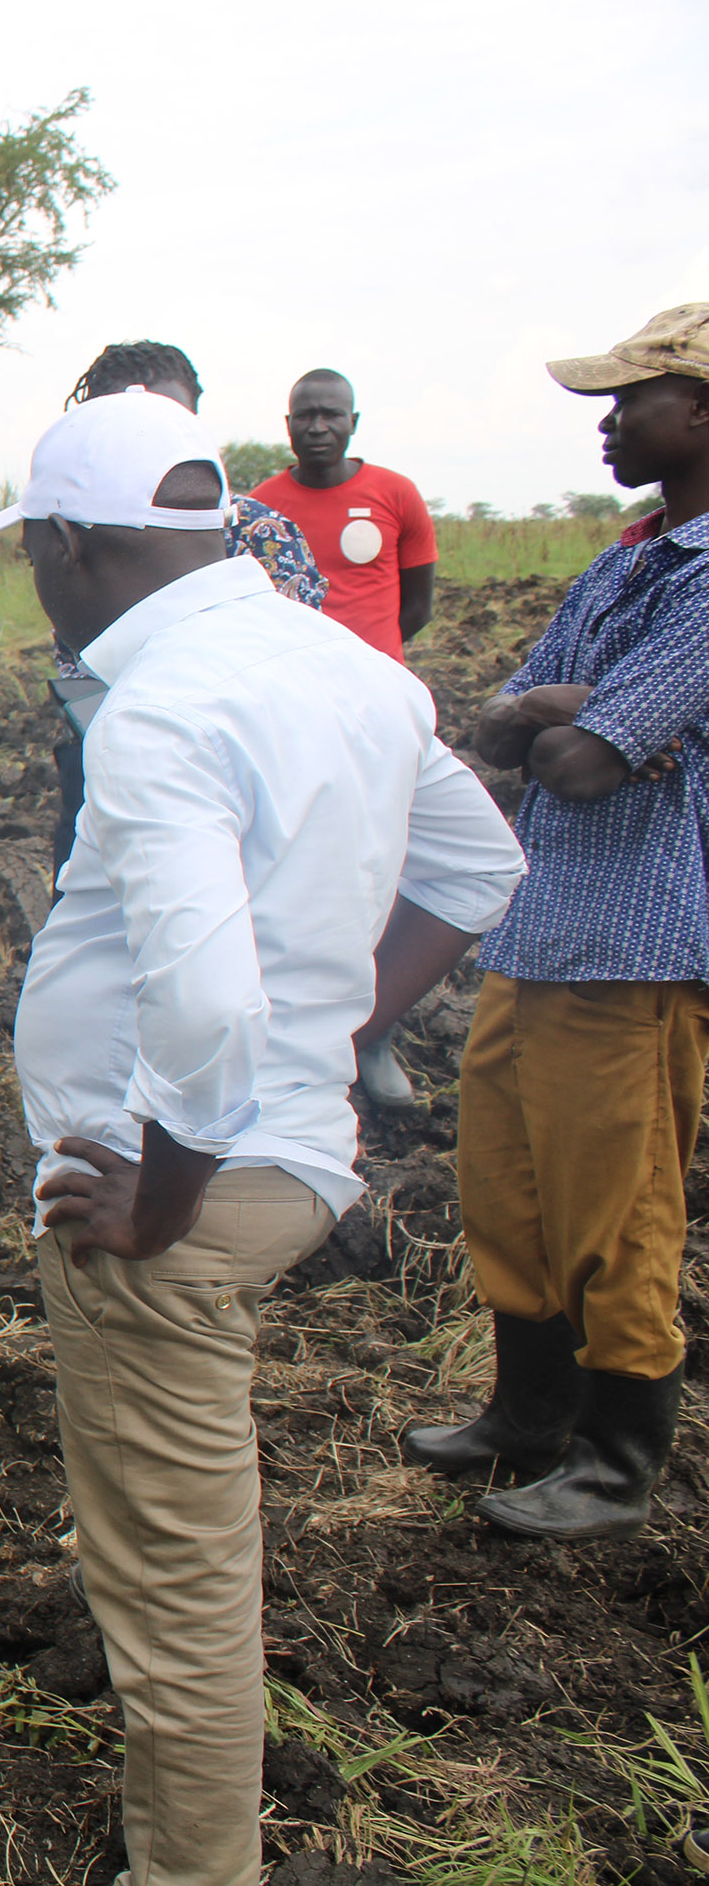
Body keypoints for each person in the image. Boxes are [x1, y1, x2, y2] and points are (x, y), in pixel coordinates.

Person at [0, 389, 523, 1886]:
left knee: (177, 1594)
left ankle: (193, 1865)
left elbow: (210, 998)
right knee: (171, 1546)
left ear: (68, 544)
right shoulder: (345, 667)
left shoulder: (162, 706)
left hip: (175, 1197)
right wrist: (329, 1033)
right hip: (286, 1156)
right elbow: (477, 867)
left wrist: (162, 1196)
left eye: (31, 551)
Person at [404, 304, 709, 1542]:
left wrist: (568, 718)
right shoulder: (625, 563)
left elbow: (581, 768)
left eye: (631, 400)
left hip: (637, 946)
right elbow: (499, 725)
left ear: (702, 411)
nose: (608, 423)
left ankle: (618, 1457)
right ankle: (526, 1415)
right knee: (507, 1183)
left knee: (618, 1205)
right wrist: (568, 707)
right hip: (538, 928)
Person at [45, 347, 424, 1108]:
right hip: (109, 746)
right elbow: (75, 665)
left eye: (162, 409)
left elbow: (288, 669)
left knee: (240, 933)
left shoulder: (260, 529)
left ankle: (308, 1054)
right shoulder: (76, 530)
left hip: (251, 753)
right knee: (116, 923)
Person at [248, 368, 440, 662]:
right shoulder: (259, 507)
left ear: (353, 422)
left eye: (331, 415)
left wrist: (368, 654)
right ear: (288, 424)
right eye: (304, 416)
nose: (317, 428)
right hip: (294, 675)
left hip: (377, 674)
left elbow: (419, 608)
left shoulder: (398, 494)